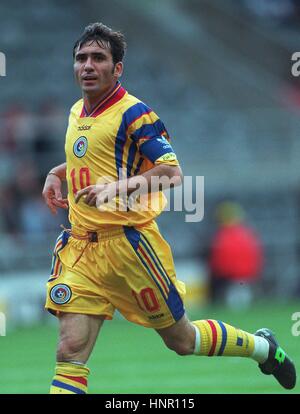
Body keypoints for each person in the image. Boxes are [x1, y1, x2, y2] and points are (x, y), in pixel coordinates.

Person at [42, 22, 296, 394]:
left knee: (182, 340)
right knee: (69, 351)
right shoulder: (78, 110)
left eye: (99, 58)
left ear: (118, 69)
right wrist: (56, 172)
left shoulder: (136, 114)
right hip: (81, 248)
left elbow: (171, 173)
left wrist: (116, 189)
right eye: (81, 58)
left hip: (129, 246)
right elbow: (96, 158)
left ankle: (263, 348)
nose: (88, 66)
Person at [208, 201, 263, 308]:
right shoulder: (248, 234)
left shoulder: (222, 236)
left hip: (230, 278)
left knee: (233, 307)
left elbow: (219, 261)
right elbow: (256, 257)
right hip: (247, 277)